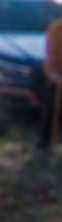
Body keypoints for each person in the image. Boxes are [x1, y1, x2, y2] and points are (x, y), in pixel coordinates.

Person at [45, 12, 62, 148]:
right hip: (58, 78)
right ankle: (45, 143)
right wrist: (55, 75)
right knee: (52, 112)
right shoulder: (56, 29)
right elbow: (51, 57)